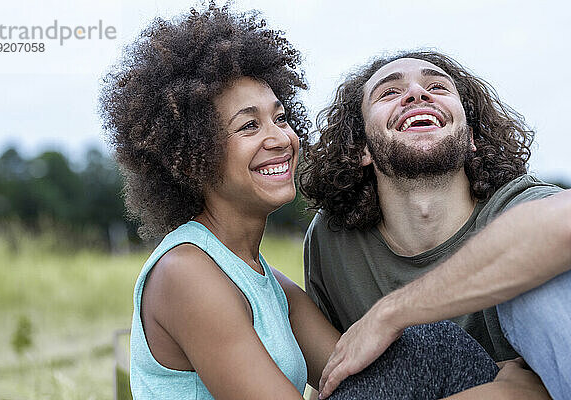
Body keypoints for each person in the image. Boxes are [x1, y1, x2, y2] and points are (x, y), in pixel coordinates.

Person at [100, 7, 550, 398]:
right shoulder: (186, 274)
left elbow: (359, 378)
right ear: (194, 155)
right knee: (435, 349)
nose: (279, 139)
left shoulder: (272, 287)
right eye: (248, 127)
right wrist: (506, 391)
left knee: (428, 347)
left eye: (280, 118)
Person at [299, 50, 571, 399]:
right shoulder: (333, 241)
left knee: (545, 275)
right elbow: (339, 383)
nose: (416, 93)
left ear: (471, 137)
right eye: (388, 93)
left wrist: (389, 314)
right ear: (361, 148)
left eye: (438, 87)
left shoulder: (517, 204)